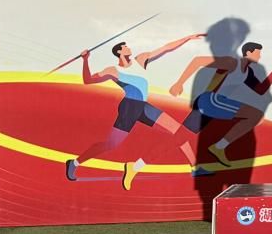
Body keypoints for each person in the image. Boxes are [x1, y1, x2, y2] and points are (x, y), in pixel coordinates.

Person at [66, 32, 206, 190]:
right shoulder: (112, 70)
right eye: (125, 46)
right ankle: (74, 163)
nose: (129, 48)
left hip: (144, 107)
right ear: (119, 51)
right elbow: (88, 80)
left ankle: (194, 166)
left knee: (179, 131)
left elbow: (166, 48)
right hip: (129, 108)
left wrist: (187, 38)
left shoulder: (141, 60)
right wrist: (85, 60)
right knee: (110, 144)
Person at [169, 42, 272, 172]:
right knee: (255, 115)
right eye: (258, 53)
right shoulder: (231, 62)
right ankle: (219, 147)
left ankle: (194, 167)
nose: (260, 57)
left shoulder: (247, 72)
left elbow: (261, 89)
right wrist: (179, 83)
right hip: (211, 101)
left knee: (180, 136)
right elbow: (198, 61)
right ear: (248, 53)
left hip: (209, 105)